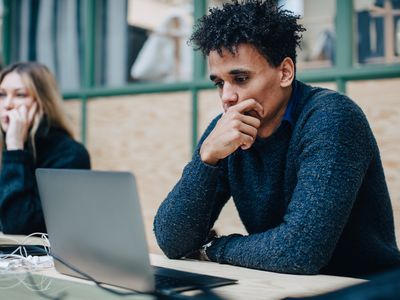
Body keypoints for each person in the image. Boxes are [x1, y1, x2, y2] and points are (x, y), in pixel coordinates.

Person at [154, 0, 400, 277]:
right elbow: (171, 240)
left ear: (285, 72)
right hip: (284, 286)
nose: (226, 96)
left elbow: (300, 251)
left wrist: (212, 248)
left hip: (365, 287)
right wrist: (206, 159)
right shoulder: (226, 131)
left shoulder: (332, 118)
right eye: (219, 82)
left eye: (241, 78)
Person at [0, 62, 91, 234]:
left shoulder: (69, 154)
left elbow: (19, 225)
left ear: (42, 102)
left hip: (33, 258)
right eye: (1, 94)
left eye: (20, 95)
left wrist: (15, 148)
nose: (8, 104)